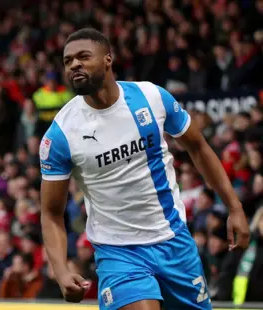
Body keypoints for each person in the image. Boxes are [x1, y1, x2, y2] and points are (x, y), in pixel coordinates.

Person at [39, 28, 251, 310]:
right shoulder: (61, 134)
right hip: (119, 254)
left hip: (174, 241)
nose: (74, 64)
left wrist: (234, 207)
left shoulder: (151, 97)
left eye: (83, 57)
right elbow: (51, 212)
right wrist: (61, 270)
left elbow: (198, 148)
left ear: (107, 60)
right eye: (67, 61)